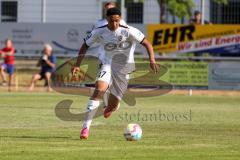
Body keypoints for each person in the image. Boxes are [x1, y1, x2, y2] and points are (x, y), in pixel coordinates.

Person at [72, 8, 160, 139]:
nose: (115, 24)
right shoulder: (99, 31)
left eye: (117, 21)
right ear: (107, 19)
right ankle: (85, 128)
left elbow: (147, 43)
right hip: (106, 64)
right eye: (112, 21)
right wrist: (77, 65)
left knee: (113, 105)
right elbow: (85, 45)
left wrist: (152, 59)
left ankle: (110, 107)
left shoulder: (128, 30)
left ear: (120, 19)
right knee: (99, 90)